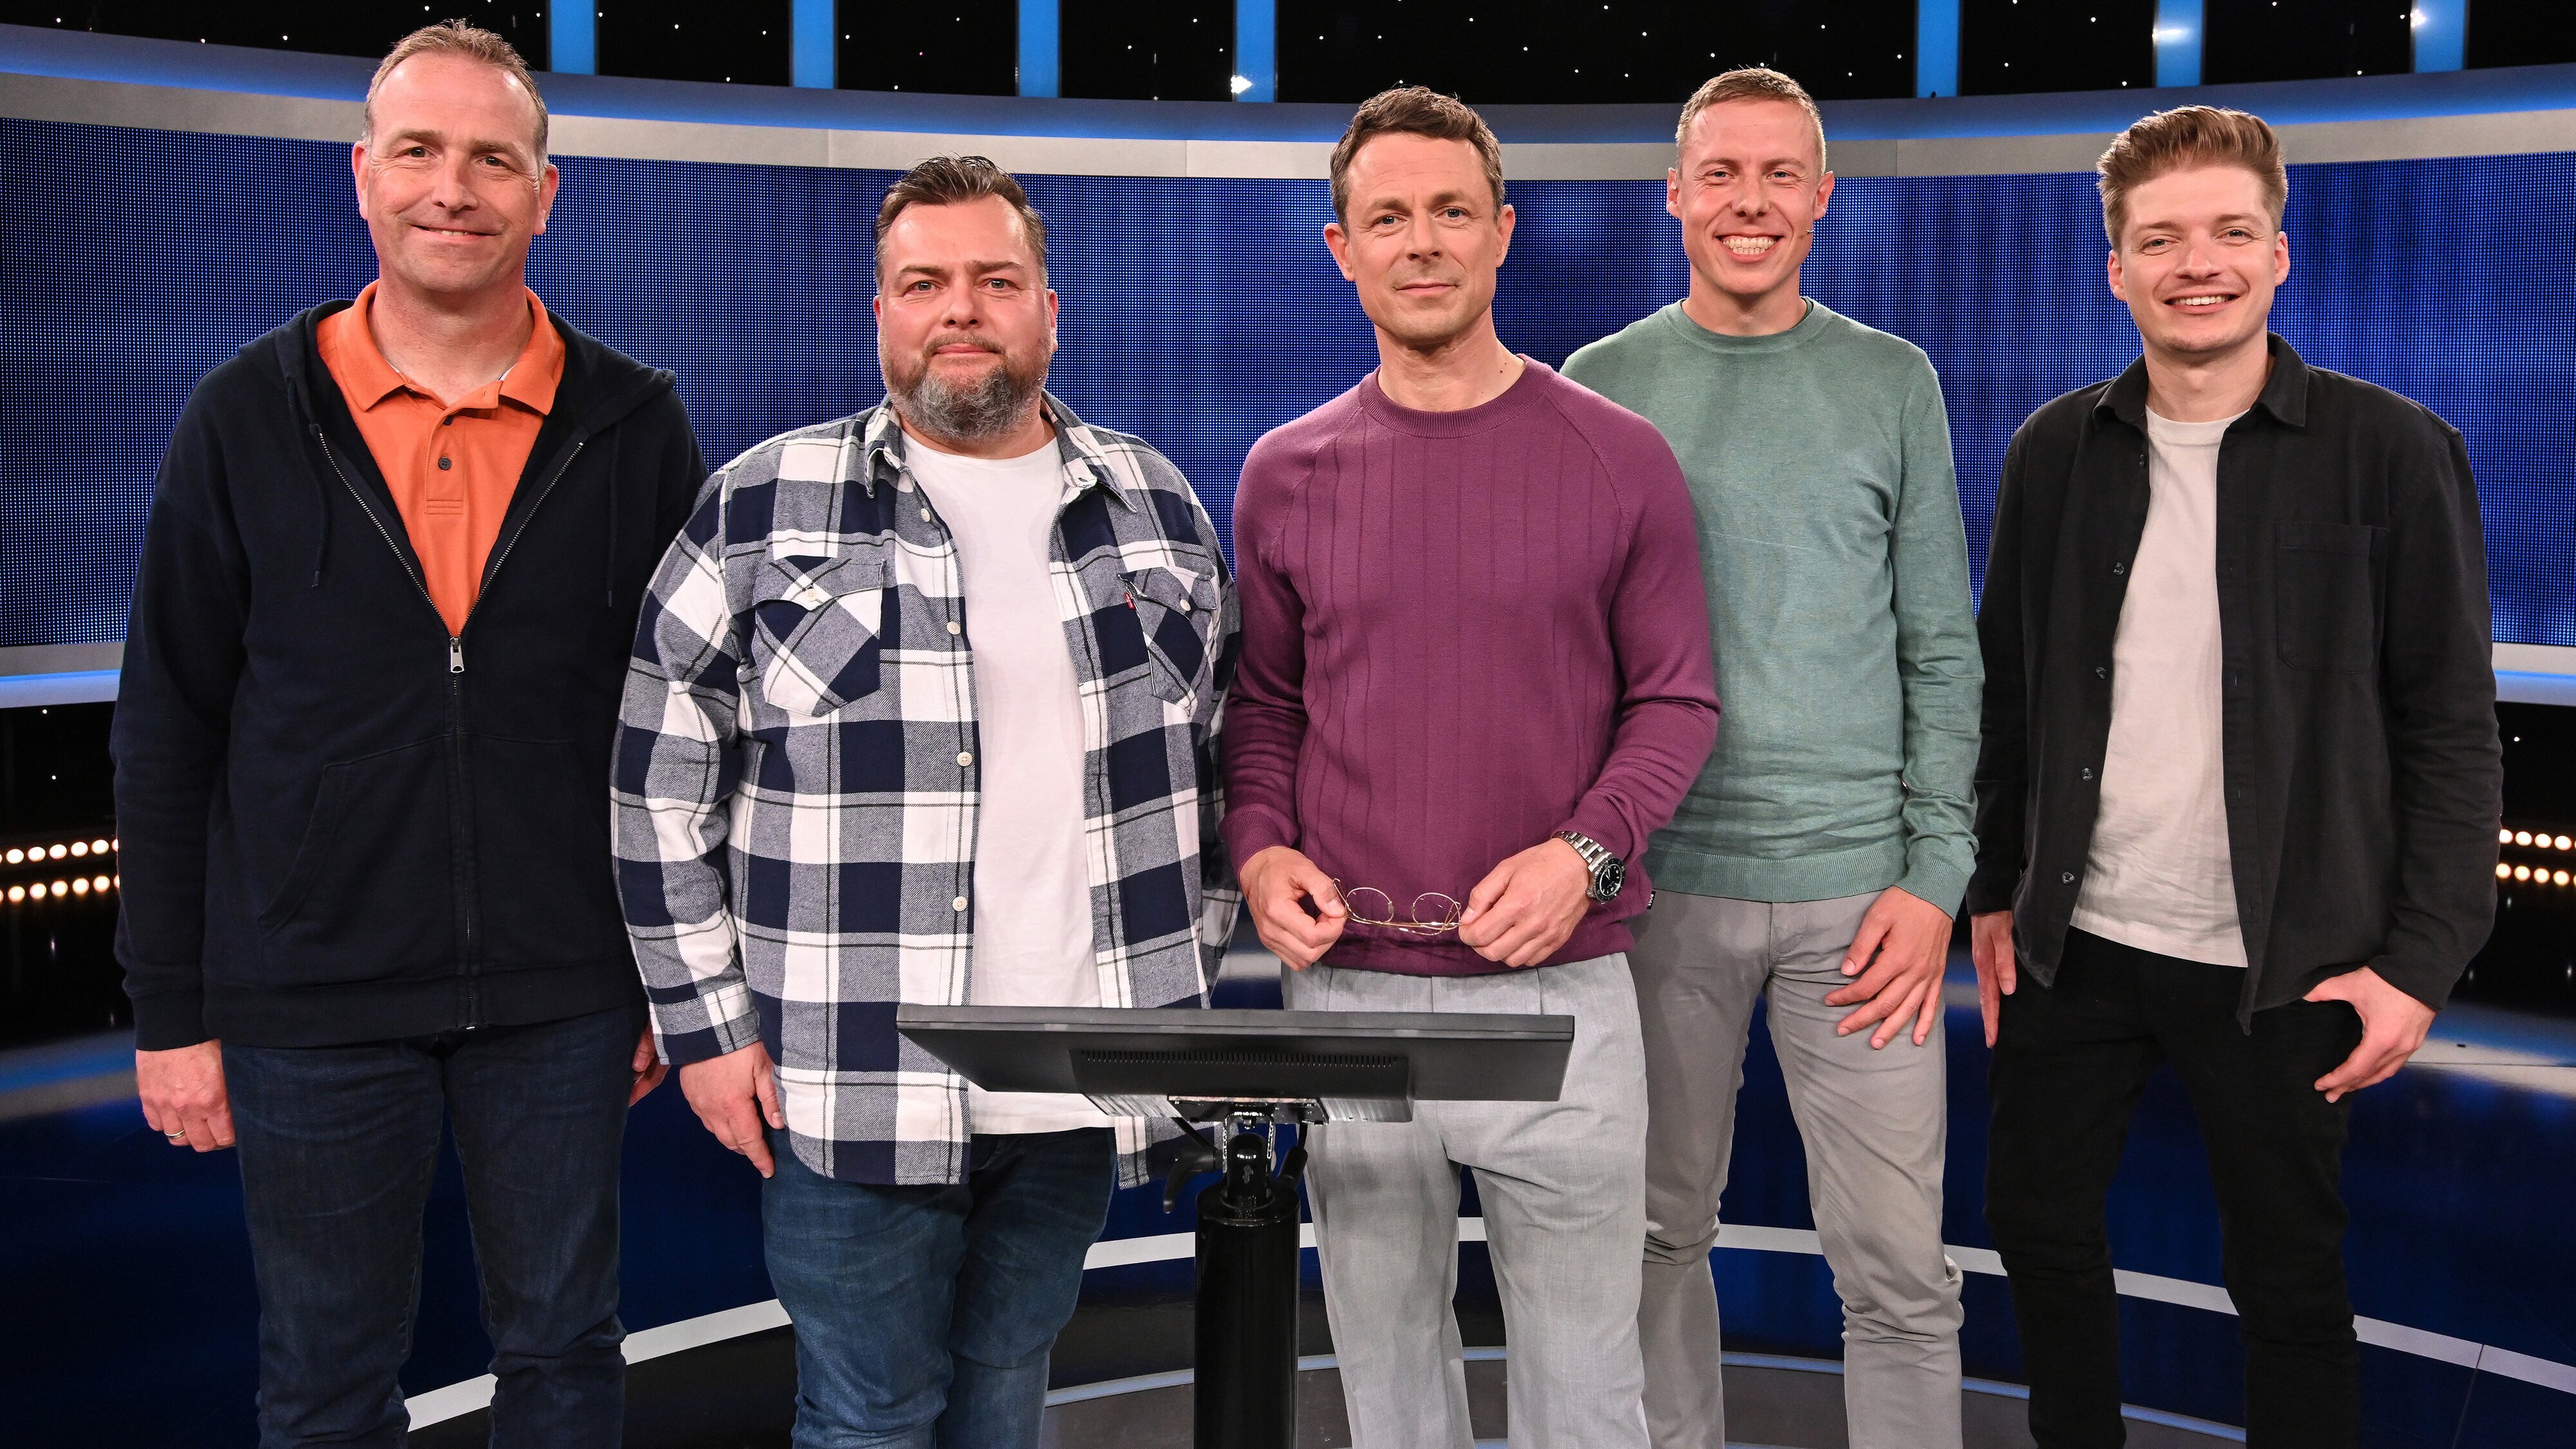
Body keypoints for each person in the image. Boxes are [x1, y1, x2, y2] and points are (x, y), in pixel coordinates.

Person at [112, 23, 706, 1447]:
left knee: (566, 1356)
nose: (454, 188)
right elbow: (168, 726)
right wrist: (172, 1012)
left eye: (493, 159)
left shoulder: (636, 423)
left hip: (565, 992)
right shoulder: (242, 415)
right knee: (324, 1385)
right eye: (421, 152)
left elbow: (684, 730)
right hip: (307, 993)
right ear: (364, 174)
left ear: (543, 194)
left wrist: (667, 980)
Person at [614, 155, 1237, 1449]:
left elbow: (1216, 780)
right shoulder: (761, 504)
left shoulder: (1156, 507)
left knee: (1007, 1397)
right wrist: (707, 1031)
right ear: (882, 313)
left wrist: (1166, 1002)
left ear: (1047, 310)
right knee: (870, 1418)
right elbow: (657, 788)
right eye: (925, 283)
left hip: (1073, 1096)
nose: (960, 307)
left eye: (995, 281)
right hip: (851, 1085)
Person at [1967, 106, 2500, 1448]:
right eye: (2158, 239)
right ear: (2115, 268)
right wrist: (1990, 888)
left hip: (2289, 964)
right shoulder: (2053, 451)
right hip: (2078, 946)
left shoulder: (2393, 450)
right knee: (2038, 1231)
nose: (2194, 263)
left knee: (2287, 1284)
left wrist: (2419, 962)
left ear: (2278, 254)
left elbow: (2449, 727)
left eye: (2227, 233)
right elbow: (2010, 694)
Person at [1226, 88, 1721, 1449]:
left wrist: (1584, 857)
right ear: (1343, 249)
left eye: (1452, 211)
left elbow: (1676, 701)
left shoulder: (1619, 459)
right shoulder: (1284, 473)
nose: (1423, 241)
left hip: (1559, 993)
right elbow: (1262, 709)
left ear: (1502, 231)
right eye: (1388, 217)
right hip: (1349, 996)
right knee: (1387, 1388)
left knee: (1585, 1398)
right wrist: (1259, 852)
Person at [1563, 66, 1982, 1449]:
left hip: (1865, 909)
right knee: (1650, 1236)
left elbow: (1940, 647)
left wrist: (1934, 878)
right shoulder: (1600, 387)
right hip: (1656, 894)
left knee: (1899, 1276)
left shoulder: (1891, 383)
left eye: (1780, 174)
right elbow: (1568, 659)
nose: (1751, 202)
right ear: (1674, 195)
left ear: (1821, 196)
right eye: (1722, 174)